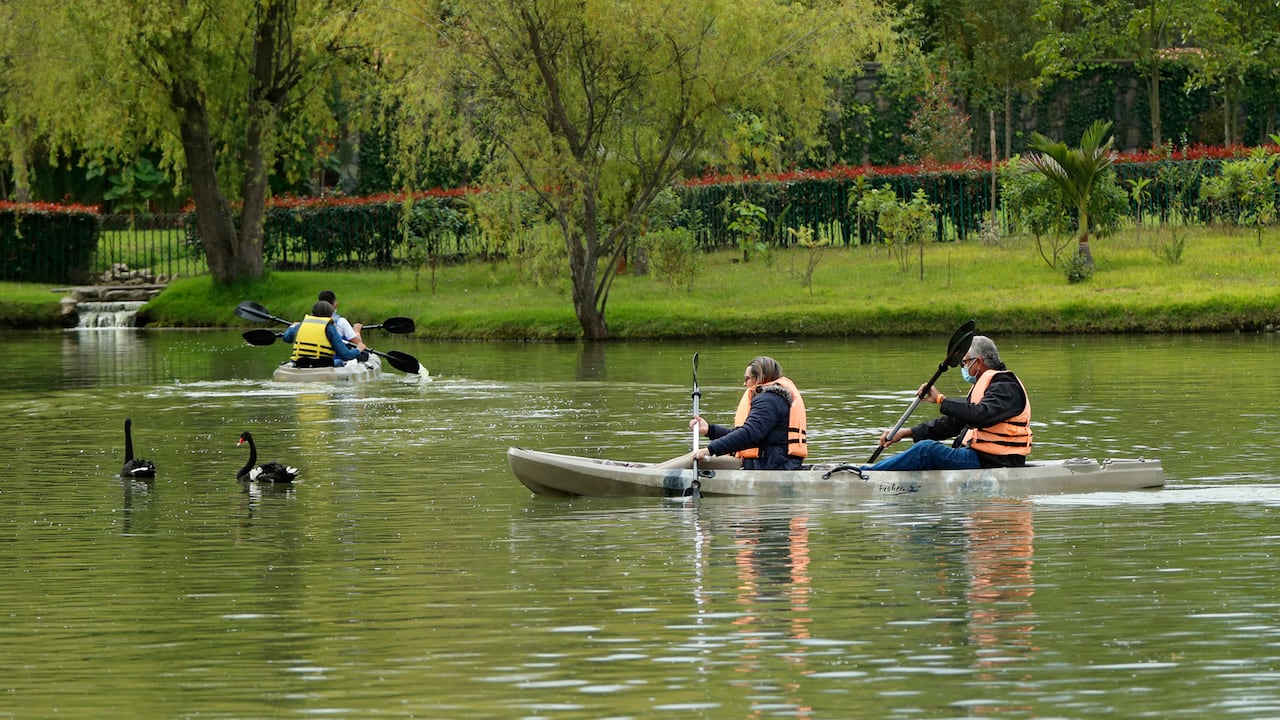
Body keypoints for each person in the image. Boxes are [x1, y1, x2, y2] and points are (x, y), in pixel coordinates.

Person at [866, 335, 1032, 471]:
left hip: (996, 462)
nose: (963, 367)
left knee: (926, 450)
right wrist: (905, 433)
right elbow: (954, 424)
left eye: (965, 362)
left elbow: (980, 415)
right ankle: (872, 471)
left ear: (978, 362)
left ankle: (867, 475)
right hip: (983, 458)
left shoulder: (1006, 386)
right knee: (928, 450)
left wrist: (941, 399)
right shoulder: (988, 385)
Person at [690, 356, 808, 471]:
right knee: (693, 460)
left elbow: (749, 434)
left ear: (759, 378)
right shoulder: (773, 398)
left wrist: (709, 450)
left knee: (691, 463)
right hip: (773, 463)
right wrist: (710, 430)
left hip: (772, 467)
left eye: (747, 379)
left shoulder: (768, 401)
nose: (744, 384)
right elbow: (748, 435)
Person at [281, 300, 369, 368]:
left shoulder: (301, 325)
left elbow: (286, 338)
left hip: (299, 364)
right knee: (340, 362)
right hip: (322, 365)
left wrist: (292, 327)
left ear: (312, 313)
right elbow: (345, 355)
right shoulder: (329, 327)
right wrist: (359, 349)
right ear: (330, 315)